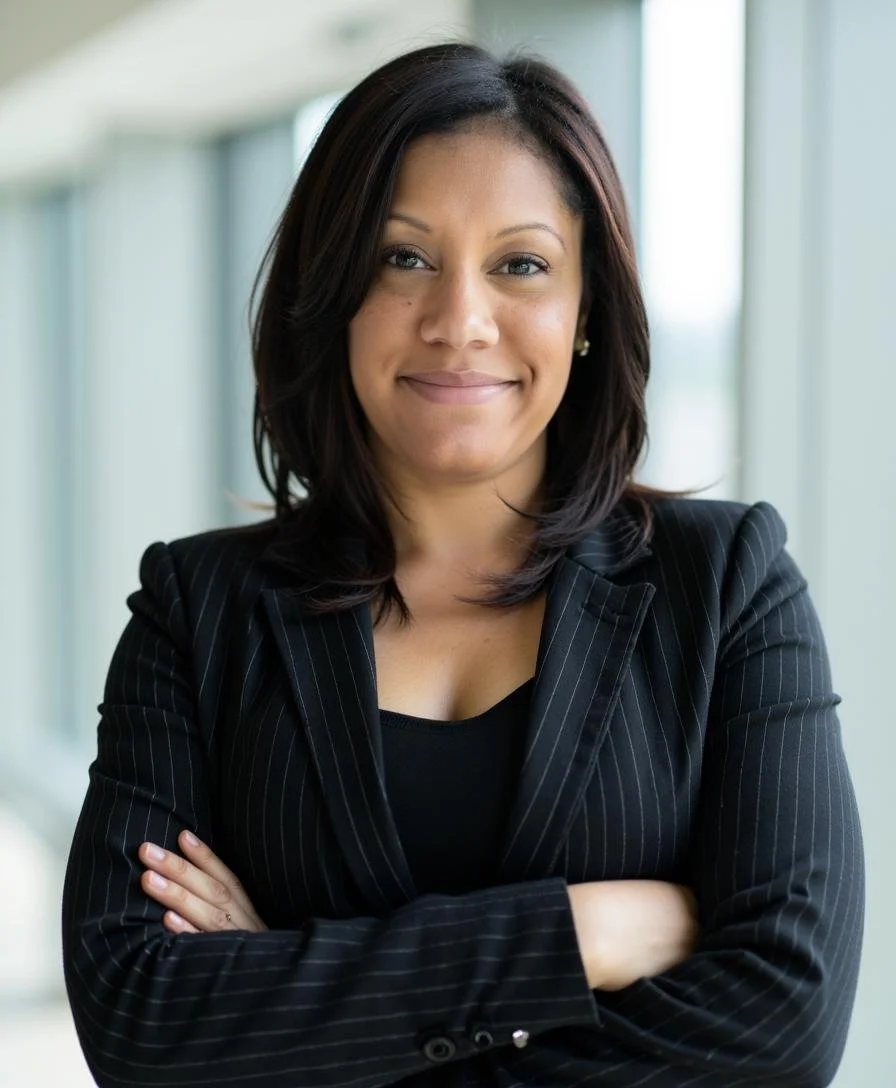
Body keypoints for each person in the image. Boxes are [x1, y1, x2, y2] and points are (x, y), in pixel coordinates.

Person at [61, 41, 864, 1088]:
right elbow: (137, 1019)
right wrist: (576, 937)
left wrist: (289, 1000)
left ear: (585, 313)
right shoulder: (196, 610)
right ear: (332, 293)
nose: (459, 321)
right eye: (404, 258)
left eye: (520, 264)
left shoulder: (725, 588)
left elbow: (780, 1029)